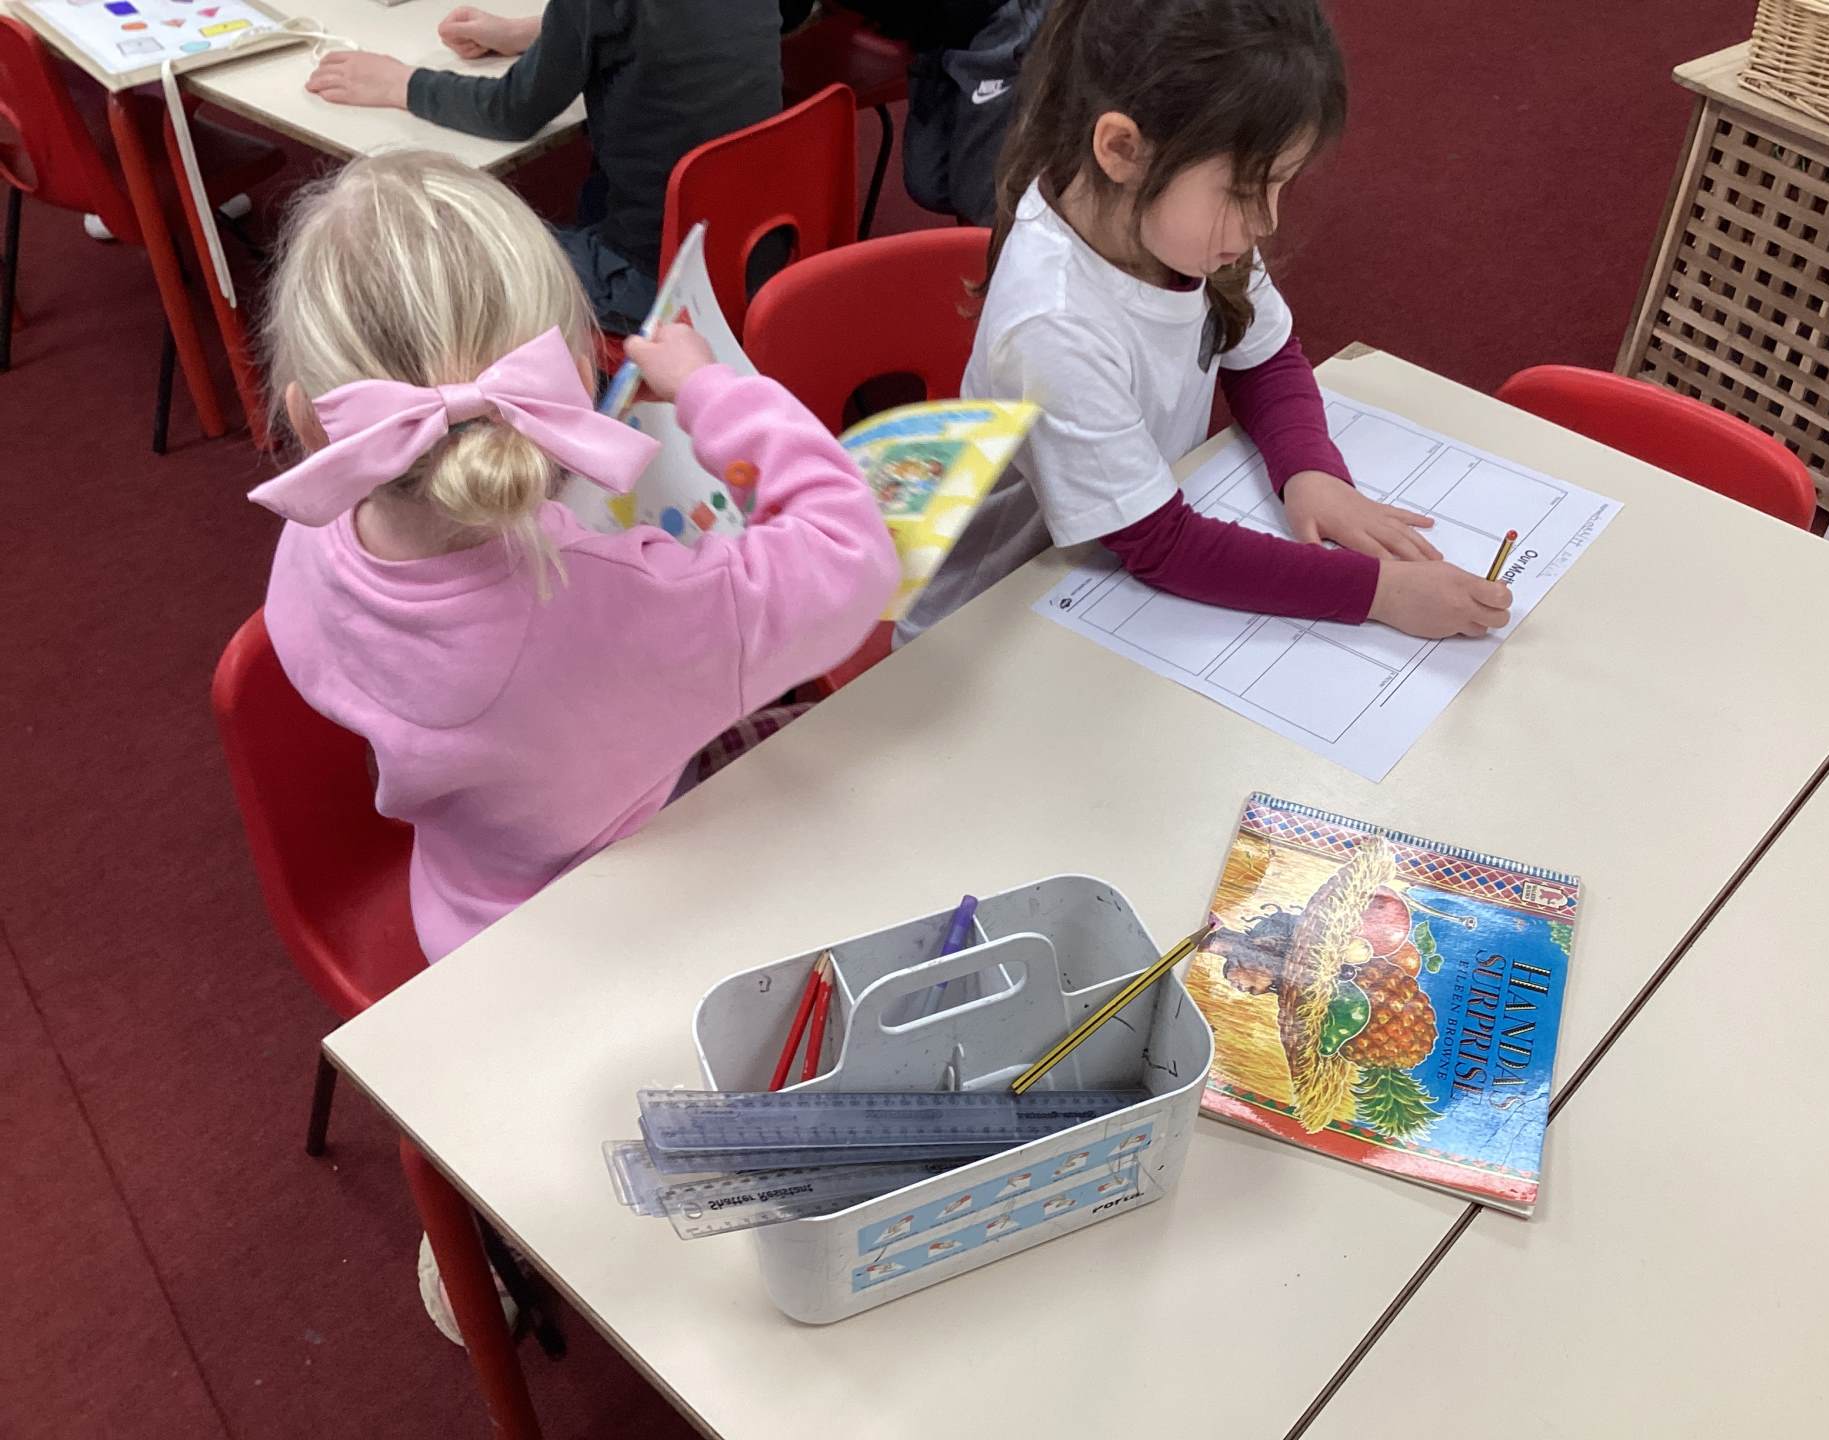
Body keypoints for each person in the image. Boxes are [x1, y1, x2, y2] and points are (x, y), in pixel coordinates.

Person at [253, 149, 897, 971]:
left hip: (467, 917)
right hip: (632, 928)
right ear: (576, 369)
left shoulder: (308, 540)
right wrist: (710, 388)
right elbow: (853, 551)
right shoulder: (640, 603)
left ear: (310, 423)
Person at [899, 0, 1511, 643]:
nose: (1267, 220)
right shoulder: (1053, 327)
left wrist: (1311, 471)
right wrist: (1379, 592)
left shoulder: (1170, 226)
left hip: (1101, 573)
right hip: (986, 624)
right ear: (1122, 150)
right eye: (1246, 190)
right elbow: (1162, 547)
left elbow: (1265, 358)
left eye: (1280, 185)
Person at [303, 1, 782, 331]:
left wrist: (401, 83)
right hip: (757, 251)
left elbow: (512, 112)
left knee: (446, 257)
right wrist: (534, 32)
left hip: (655, 281)